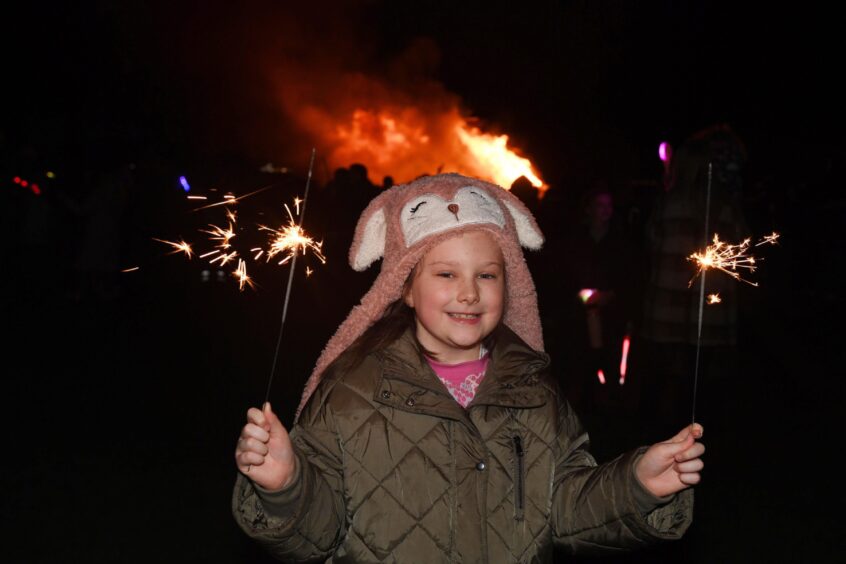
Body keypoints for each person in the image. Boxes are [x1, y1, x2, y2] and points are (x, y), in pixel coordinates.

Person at [233, 173, 704, 563]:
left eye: (486, 274)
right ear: (406, 288)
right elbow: (321, 529)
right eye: (445, 274)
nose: (469, 293)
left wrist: (638, 485)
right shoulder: (352, 391)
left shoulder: (533, 388)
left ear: (511, 282)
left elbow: (564, 505)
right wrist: (287, 488)